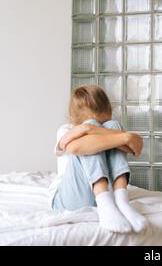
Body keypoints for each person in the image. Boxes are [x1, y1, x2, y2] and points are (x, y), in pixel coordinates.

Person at [50, 85, 148, 233]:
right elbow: (74, 148)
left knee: (113, 126)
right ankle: (105, 203)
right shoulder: (65, 130)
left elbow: (137, 148)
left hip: (109, 194)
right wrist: (89, 129)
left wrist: (99, 131)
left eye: (103, 123)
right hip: (68, 201)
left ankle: (121, 201)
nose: (102, 126)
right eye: (98, 124)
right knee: (92, 139)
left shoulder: (111, 126)